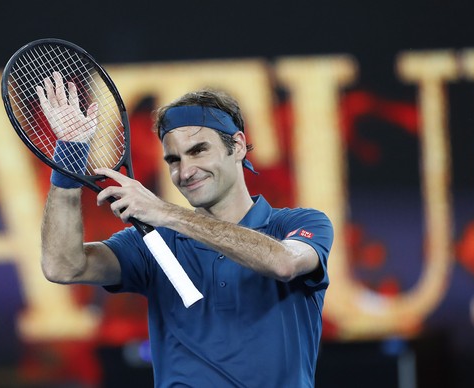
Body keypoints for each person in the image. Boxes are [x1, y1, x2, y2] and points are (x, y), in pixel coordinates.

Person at [38, 72, 334, 387]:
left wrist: (165, 211)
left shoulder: (300, 223)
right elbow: (63, 265)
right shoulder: (152, 243)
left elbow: (284, 263)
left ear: (236, 146)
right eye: (173, 159)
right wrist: (69, 157)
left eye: (198, 151)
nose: (185, 171)